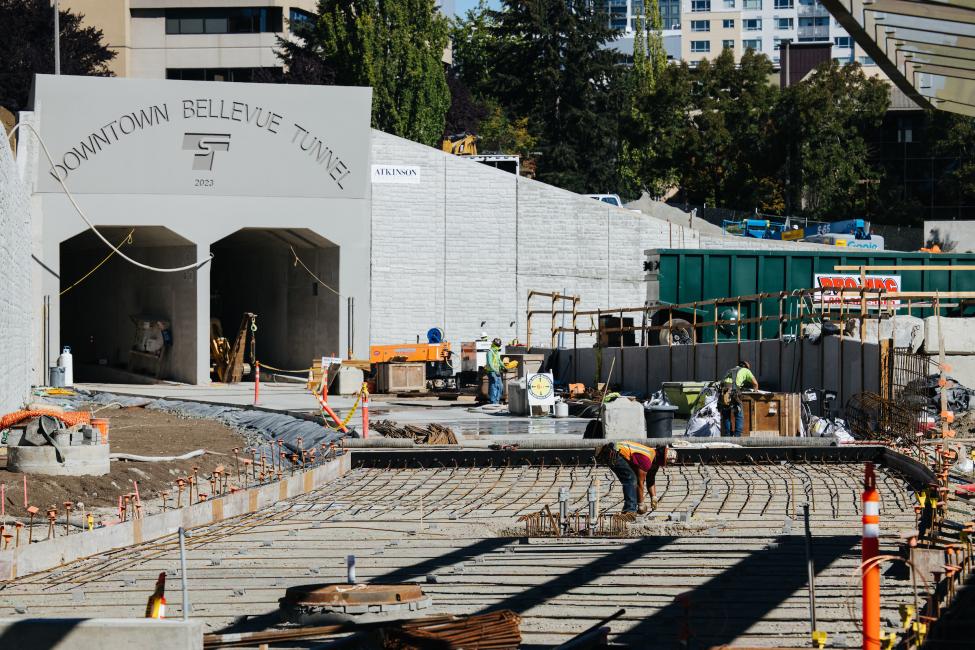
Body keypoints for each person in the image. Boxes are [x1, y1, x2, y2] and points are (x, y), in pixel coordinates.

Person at [596, 441, 675, 514]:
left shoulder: (652, 455)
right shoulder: (646, 461)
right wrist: (641, 504)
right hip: (613, 453)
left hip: (615, 451)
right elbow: (640, 483)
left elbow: (650, 479)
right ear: (661, 461)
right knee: (631, 479)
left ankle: (630, 509)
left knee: (631, 478)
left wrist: (653, 497)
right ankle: (629, 510)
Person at [718, 360, 759, 436]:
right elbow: (755, 383)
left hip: (724, 394)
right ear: (746, 367)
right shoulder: (746, 371)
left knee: (726, 415)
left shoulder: (731, 370)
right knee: (739, 414)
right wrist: (755, 391)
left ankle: (727, 435)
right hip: (734, 393)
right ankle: (737, 436)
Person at [484, 337, 504, 405]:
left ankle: (497, 400)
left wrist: (504, 366)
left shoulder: (496, 352)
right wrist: (495, 370)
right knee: (494, 385)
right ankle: (493, 401)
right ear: (493, 344)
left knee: (500, 386)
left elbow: (499, 361)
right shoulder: (490, 352)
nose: (498, 346)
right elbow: (490, 363)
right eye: (497, 345)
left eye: (499, 345)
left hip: (497, 371)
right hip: (491, 371)